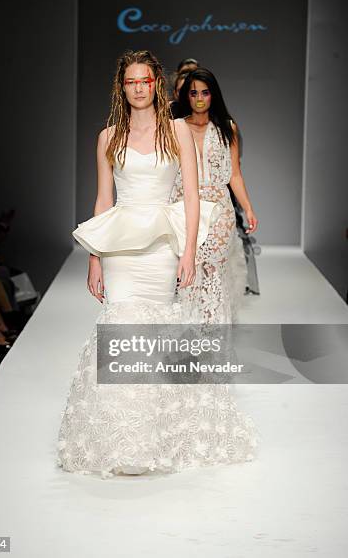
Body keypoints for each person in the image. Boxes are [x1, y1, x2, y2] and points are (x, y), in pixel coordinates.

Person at [56, 50, 258, 479]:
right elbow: (103, 200)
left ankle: (154, 435)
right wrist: (95, 258)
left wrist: (187, 252)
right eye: (131, 82)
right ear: (122, 87)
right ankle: (122, 438)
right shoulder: (108, 137)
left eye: (146, 81)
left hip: (163, 245)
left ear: (157, 84)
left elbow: (189, 195)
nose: (139, 88)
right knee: (121, 328)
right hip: (122, 247)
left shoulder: (177, 132)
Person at [170, 67, 258, 323]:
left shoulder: (226, 128)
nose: (199, 98)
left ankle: (211, 339)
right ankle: (187, 335)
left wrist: (249, 208)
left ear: (213, 95)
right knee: (186, 273)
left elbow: (235, 174)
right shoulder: (175, 128)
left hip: (219, 211)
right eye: (194, 92)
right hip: (182, 209)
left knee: (212, 272)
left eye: (205, 93)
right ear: (186, 95)